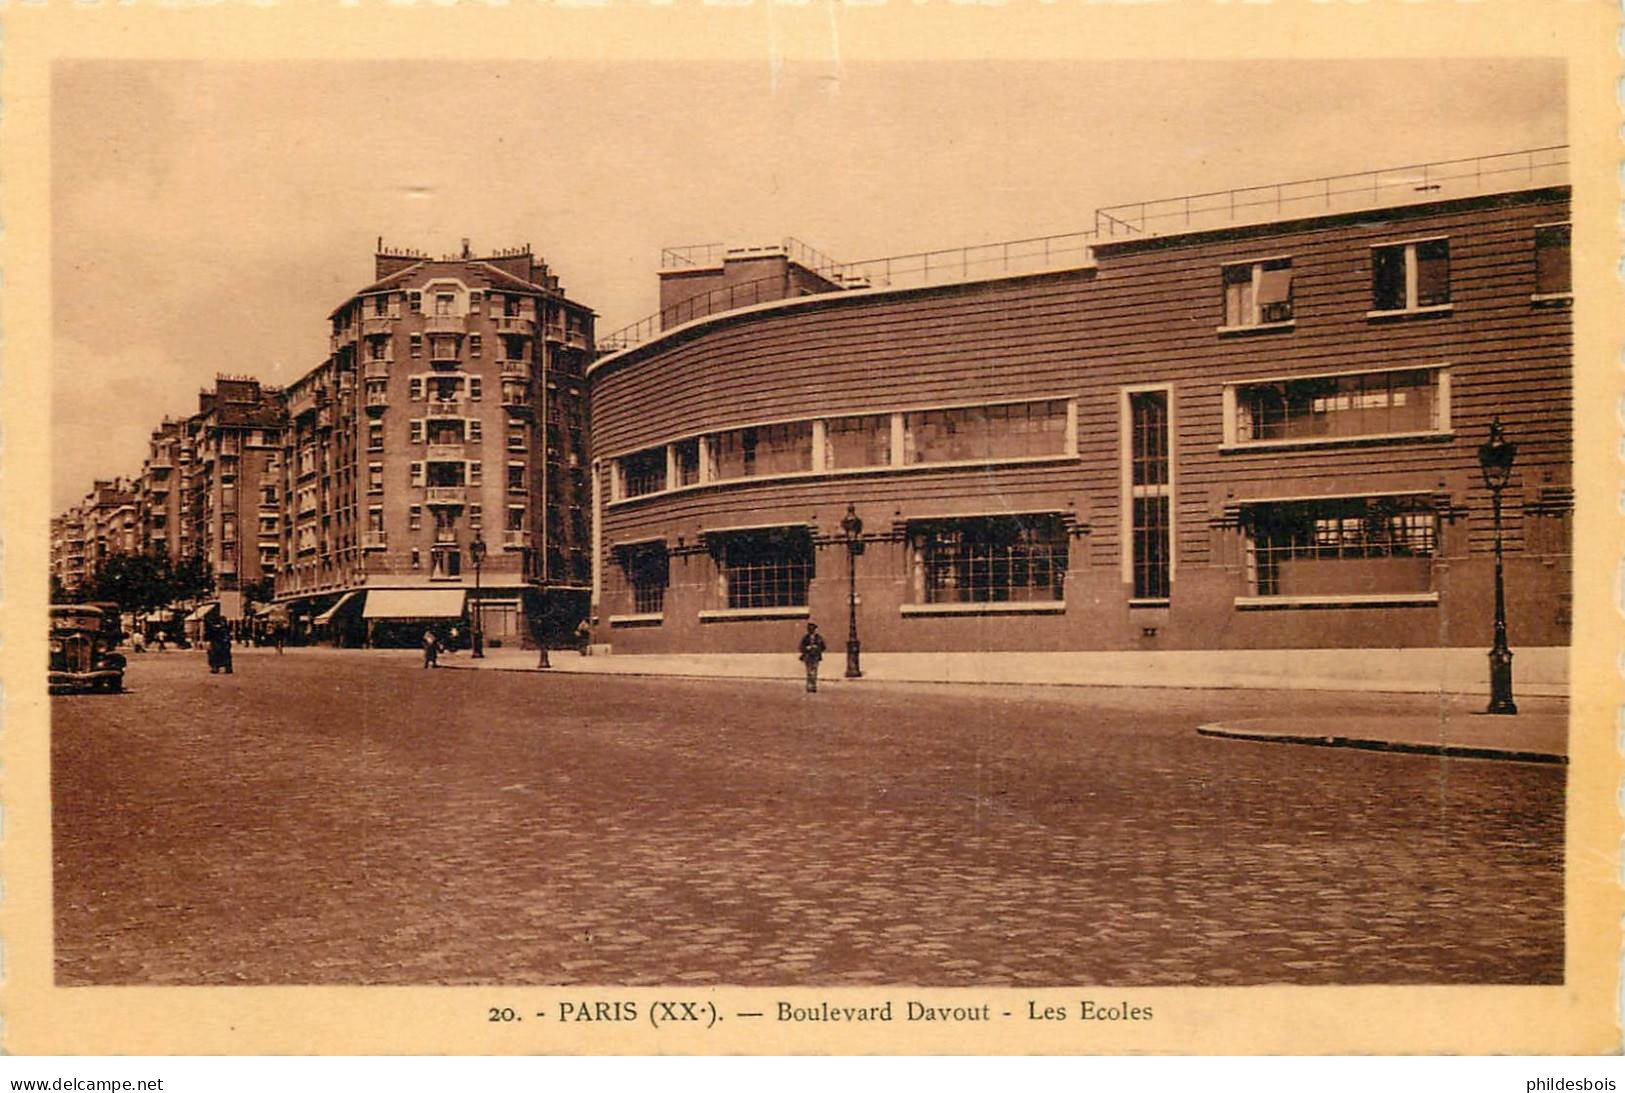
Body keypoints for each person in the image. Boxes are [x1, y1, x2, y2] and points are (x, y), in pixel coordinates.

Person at [798, 621, 827, 693]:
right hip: (808, 656)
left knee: (814, 671)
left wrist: (817, 648)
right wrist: (807, 648)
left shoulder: (818, 638)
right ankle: (809, 686)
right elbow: (801, 647)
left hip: (815, 656)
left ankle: (813, 686)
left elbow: (823, 647)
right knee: (809, 672)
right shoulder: (806, 638)